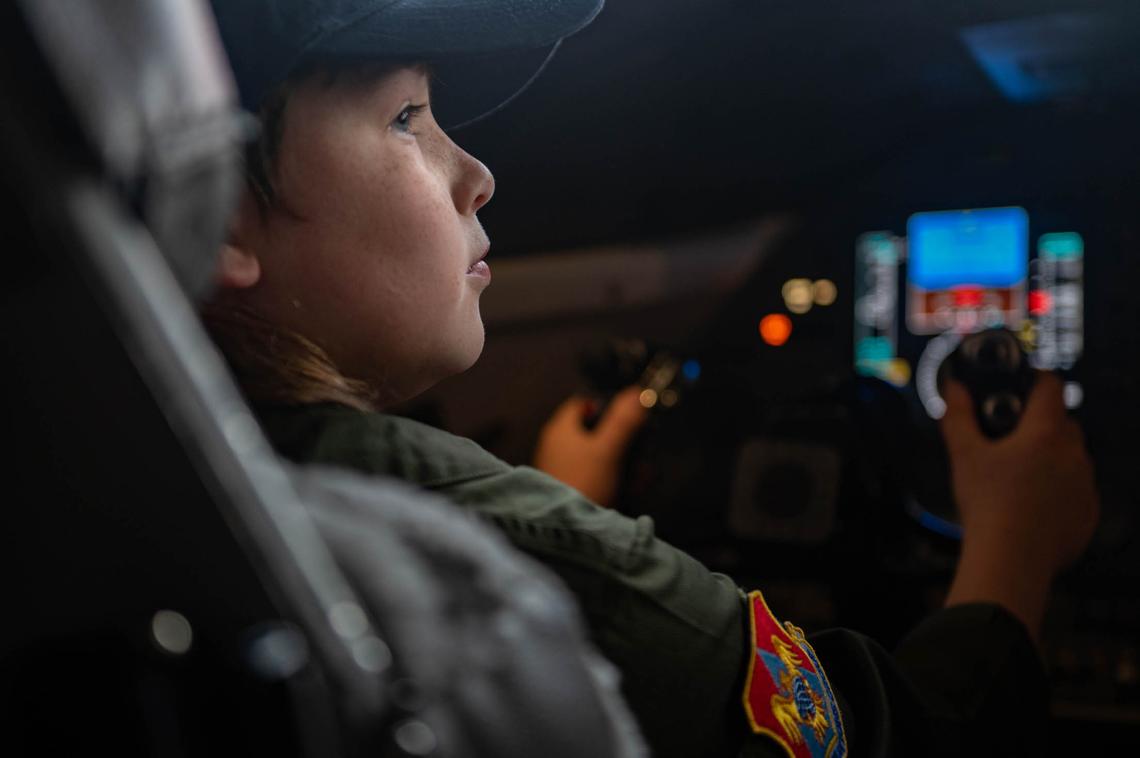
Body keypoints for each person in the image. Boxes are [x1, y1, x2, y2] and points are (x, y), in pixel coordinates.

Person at [202, 1, 1100, 756]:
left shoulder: (187, 474)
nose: (477, 174)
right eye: (406, 117)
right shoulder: (492, 537)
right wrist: (1015, 536)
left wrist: (556, 510)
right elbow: (910, 738)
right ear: (223, 216)